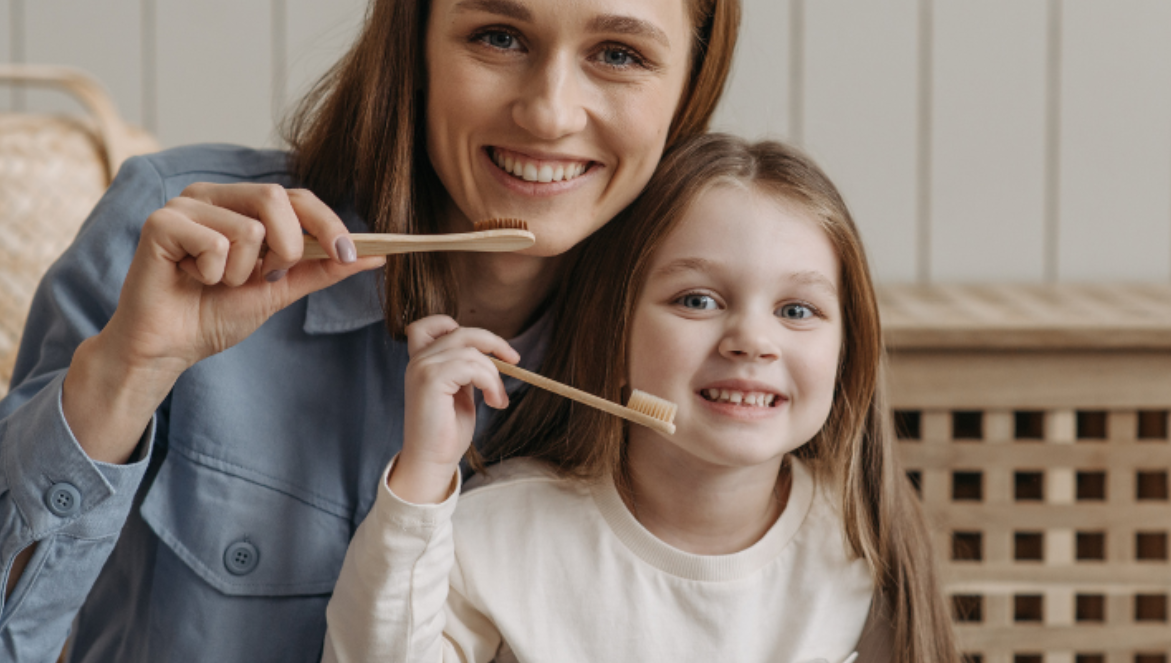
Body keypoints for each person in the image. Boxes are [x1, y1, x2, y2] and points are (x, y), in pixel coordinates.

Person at [0, 0, 739, 661]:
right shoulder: (175, 238)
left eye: (619, 54)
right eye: (498, 38)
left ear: (691, 81)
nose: (549, 111)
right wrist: (127, 372)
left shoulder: (718, 349)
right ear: (414, 43)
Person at [321, 134, 958, 663]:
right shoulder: (497, 534)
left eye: (797, 310)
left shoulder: (861, 543)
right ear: (613, 324)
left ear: (848, 351)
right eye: (698, 300)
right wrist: (426, 475)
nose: (752, 341)